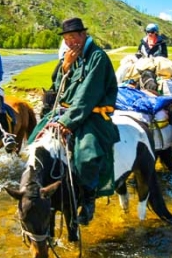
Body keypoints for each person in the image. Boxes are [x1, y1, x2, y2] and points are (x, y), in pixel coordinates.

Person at [48, 17, 119, 226]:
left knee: (86, 154)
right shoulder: (71, 57)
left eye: (73, 37)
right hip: (68, 111)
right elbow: (57, 87)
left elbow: (88, 95)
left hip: (92, 114)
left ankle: (88, 199)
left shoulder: (97, 57)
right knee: (36, 136)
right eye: (66, 39)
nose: (70, 42)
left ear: (83, 35)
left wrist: (66, 122)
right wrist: (65, 68)